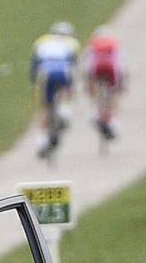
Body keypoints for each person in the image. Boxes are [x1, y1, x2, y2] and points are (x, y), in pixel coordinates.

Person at [31, 20, 80, 160]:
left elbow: (34, 66)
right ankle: (65, 109)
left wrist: (34, 81)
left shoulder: (41, 42)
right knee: (67, 85)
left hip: (46, 73)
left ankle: (41, 139)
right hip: (63, 71)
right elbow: (74, 64)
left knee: (45, 106)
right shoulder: (71, 43)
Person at [86, 28, 126, 142]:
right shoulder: (114, 44)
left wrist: (89, 85)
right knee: (114, 93)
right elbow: (121, 66)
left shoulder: (93, 44)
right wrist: (121, 85)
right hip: (111, 68)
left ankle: (94, 109)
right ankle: (113, 121)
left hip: (96, 68)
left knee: (93, 86)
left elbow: (87, 65)